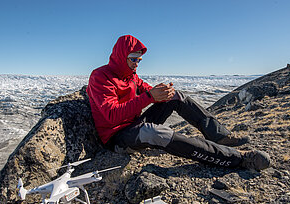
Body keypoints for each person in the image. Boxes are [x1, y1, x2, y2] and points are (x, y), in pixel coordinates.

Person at [87, 35, 270, 171]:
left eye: (139, 60)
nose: (137, 64)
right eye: (133, 59)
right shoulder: (100, 77)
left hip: (134, 125)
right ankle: (238, 159)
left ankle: (218, 135)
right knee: (158, 134)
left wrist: (163, 92)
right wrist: (150, 97)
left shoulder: (131, 76)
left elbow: (146, 89)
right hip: (117, 137)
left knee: (177, 96)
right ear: (121, 56)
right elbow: (111, 115)